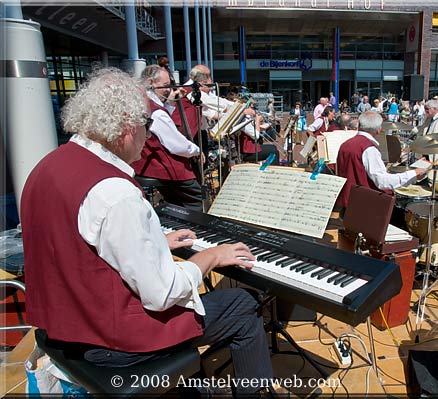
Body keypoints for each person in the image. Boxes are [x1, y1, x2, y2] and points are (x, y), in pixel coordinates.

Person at [20, 68, 275, 396]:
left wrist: (156, 242)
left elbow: (78, 244)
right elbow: (162, 294)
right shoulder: (115, 193)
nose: (149, 135)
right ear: (126, 126)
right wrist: (212, 256)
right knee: (242, 303)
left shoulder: (48, 165)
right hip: (113, 344)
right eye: (148, 124)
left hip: (64, 328)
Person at [131, 65, 204, 213]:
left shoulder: (144, 103)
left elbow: (165, 123)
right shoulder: (156, 112)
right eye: (165, 86)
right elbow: (177, 146)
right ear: (151, 83)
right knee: (197, 198)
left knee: (177, 202)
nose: (169, 89)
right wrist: (197, 151)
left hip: (148, 166)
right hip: (164, 167)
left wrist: (170, 101)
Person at [336, 111, 428, 209]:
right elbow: (382, 182)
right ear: (379, 129)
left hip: (347, 202)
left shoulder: (345, 144)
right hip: (364, 206)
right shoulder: (369, 149)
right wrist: (413, 174)